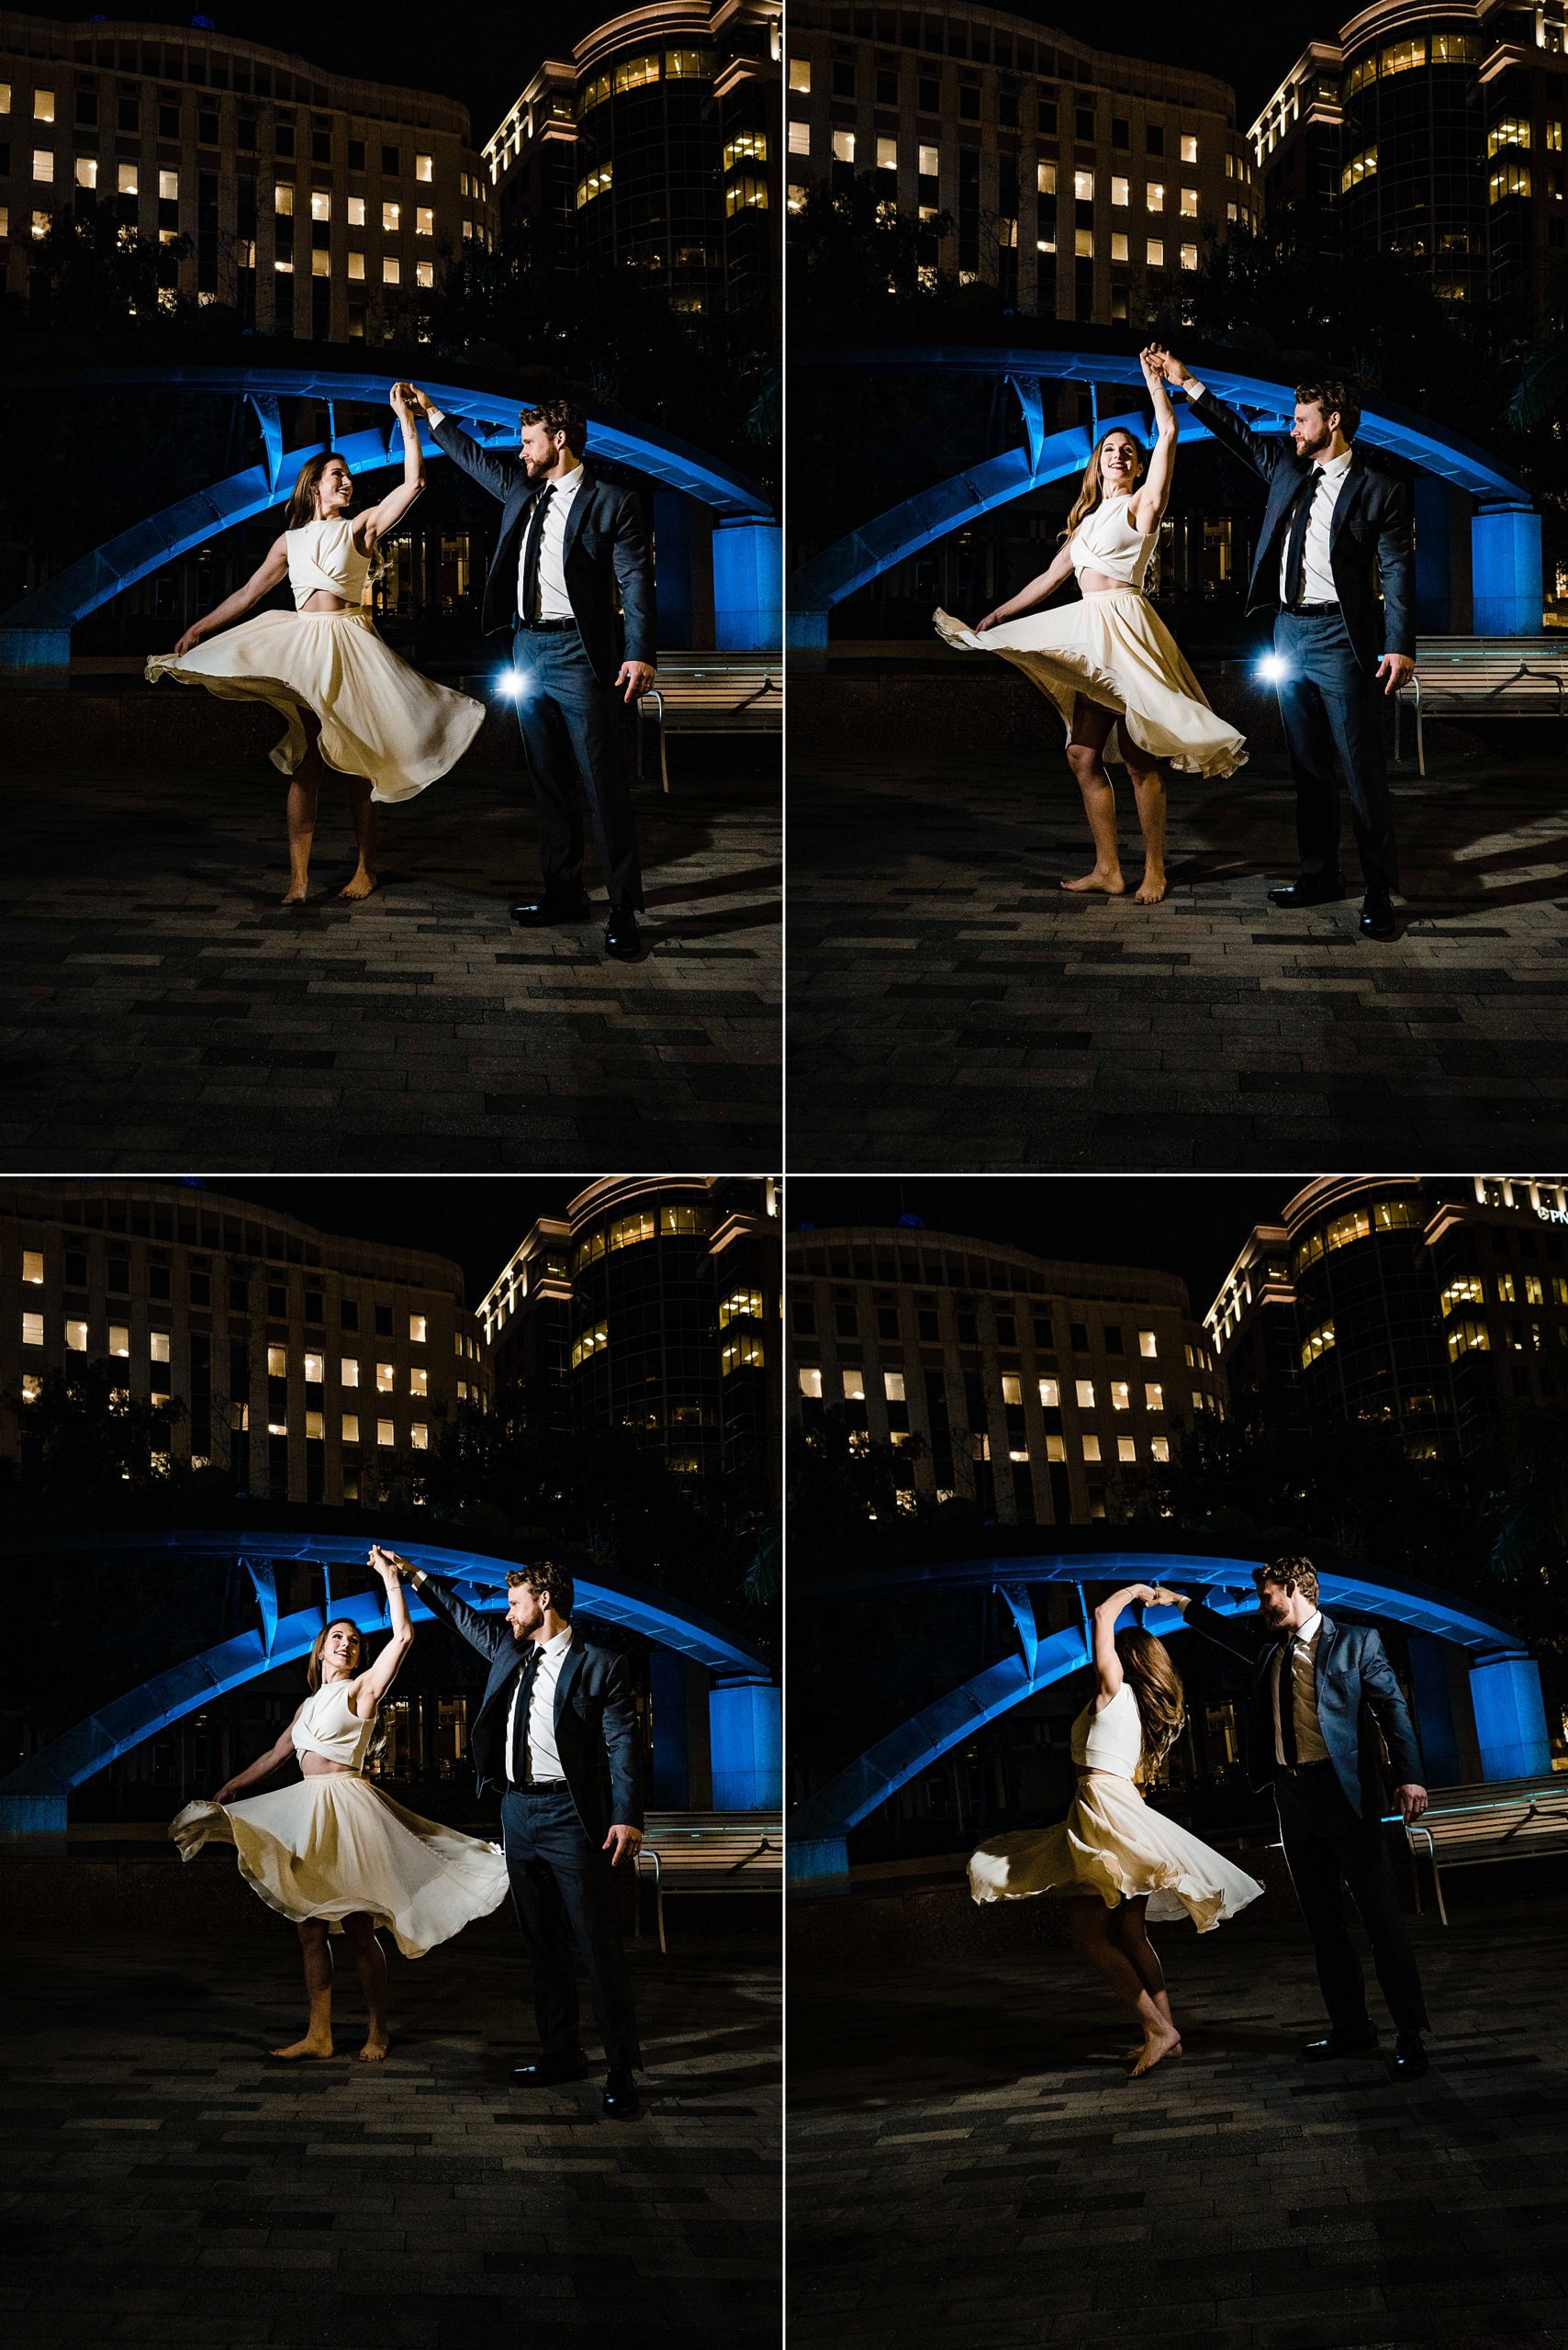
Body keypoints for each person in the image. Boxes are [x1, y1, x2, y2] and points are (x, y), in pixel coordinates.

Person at [146, 385, 486, 904]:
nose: (347, 480)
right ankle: (299, 879)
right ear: (314, 489)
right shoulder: (289, 542)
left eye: (348, 474)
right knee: (308, 761)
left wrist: (406, 421)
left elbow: (415, 482)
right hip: (303, 645)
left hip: (349, 646)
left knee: (355, 763)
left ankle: (365, 870)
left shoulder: (362, 528)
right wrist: (200, 629)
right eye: (337, 475)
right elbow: (247, 592)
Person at [169, 1545, 508, 2062]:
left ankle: (378, 2030)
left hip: (347, 1809)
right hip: (308, 1811)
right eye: (337, 1639)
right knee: (308, 1928)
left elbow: (403, 1636)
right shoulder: (307, 1704)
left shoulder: (361, 1691)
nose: (347, 1645)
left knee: (356, 1926)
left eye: (352, 1641)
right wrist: (233, 1785)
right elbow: (278, 1753)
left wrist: (390, 1579)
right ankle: (319, 2034)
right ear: (321, 1651)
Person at [935, 347, 1246, 905]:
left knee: (1139, 758)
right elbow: (1052, 577)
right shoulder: (1086, 521)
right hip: (1088, 635)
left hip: (1124, 631)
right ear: (1097, 463)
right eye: (1110, 450)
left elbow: (1169, 432)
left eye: (1128, 451)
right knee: (1082, 755)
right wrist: (1002, 614)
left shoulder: (1142, 506)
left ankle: (1155, 868)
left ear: (1138, 464)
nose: (1119, 456)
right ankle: (1108, 868)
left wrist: (1156, 383)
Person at [1147, 345, 1415, 939]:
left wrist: (1398, 644)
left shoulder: (1381, 489)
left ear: (1334, 421)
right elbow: (1237, 434)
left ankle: (1378, 891)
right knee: (1308, 768)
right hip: (1288, 633)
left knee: (1361, 769)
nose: (1291, 429)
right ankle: (1319, 875)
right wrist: (1186, 382)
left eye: (1301, 420)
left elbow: (1397, 569)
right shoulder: (1288, 467)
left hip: (1342, 640)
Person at [402, 383, 656, 963]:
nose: (519, 452)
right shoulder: (522, 489)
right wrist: (431, 413)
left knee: (602, 783)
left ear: (559, 440)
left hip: (580, 656)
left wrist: (639, 651)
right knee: (548, 780)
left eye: (528, 442)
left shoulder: (612, 501)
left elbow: (635, 580)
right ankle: (563, 893)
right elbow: (471, 459)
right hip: (526, 651)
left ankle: (622, 908)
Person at [969, 1581, 1263, 2076]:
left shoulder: (1114, 1691)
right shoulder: (1138, 1708)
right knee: (1128, 1928)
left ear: (1125, 1662)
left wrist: (1138, 1591)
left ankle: (1157, 2029)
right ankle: (1166, 2031)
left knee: (1089, 1935)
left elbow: (1103, 1616)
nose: (1097, 1661)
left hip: (1105, 1813)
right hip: (1118, 1810)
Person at [390, 1551, 646, 2117]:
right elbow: (461, 1617)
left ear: (545, 1601)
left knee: (597, 1947)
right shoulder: (511, 1650)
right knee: (542, 1943)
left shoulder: (599, 1664)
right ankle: (561, 2053)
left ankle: (622, 2070)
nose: (506, 1614)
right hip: (516, 1813)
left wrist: (626, 1815)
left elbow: (623, 1744)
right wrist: (415, 1577)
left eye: (513, 1603)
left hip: (570, 1819)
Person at [1161, 1556, 1431, 2078]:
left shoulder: (1357, 1642)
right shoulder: (1269, 1652)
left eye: (1267, 1596)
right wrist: (1180, 1604)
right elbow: (1220, 1633)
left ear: (1293, 1589)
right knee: (1324, 1923)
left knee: (1381, 1920)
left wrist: (1410, 1775)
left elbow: (1391, 1708)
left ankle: (1411, 2033)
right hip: (1294, 1798)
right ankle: (1352, 2027)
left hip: (1346, 1796)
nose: (1261, 1606)